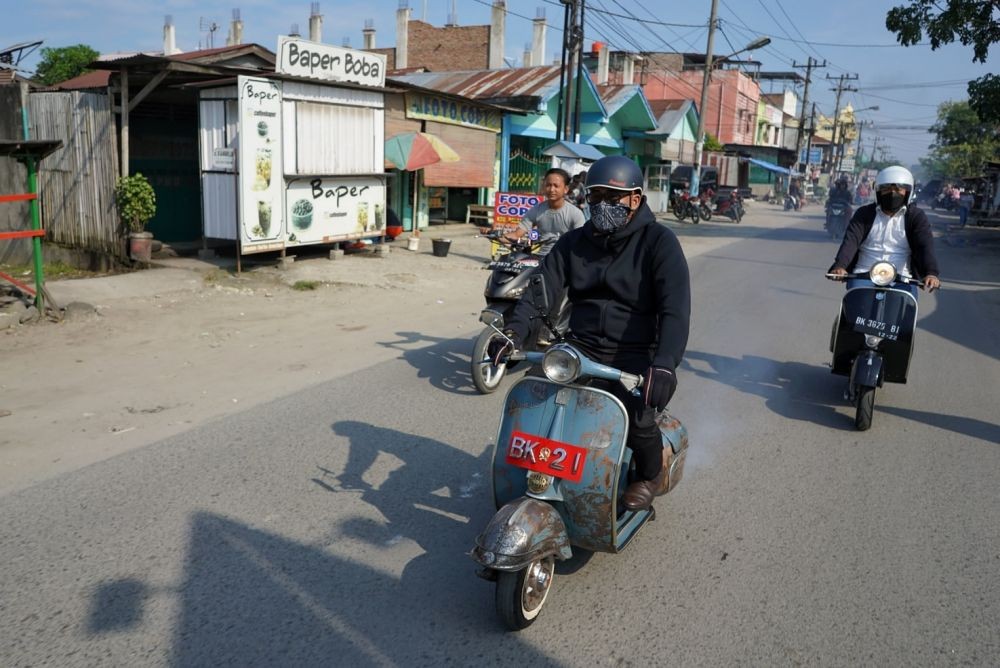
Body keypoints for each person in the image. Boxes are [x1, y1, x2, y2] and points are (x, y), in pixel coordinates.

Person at [488, 155, 691, 511]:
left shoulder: (659, 243)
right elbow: (541, 294)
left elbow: (676, 310)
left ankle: (648, 474)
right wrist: (512, 334)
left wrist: (664, 364)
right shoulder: (573, 243)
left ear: (635, 198)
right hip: (580, 346)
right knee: (535, 400)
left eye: (613, 197)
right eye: (595, 197)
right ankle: (544, 469)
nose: (602, 205)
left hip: (637, 351)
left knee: (640, 420)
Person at [828, 165, 941, 292]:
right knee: (854, 309)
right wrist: (840, 266)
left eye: (899, 189)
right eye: (886, 188)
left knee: (906, 309)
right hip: (864, 274)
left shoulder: (916, 217)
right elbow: (851, 241)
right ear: (878, 191)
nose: (893, 193)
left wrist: (931, 273)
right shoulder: (864, 213)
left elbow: (924, 246)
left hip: (902, 277)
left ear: (908, 192)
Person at [488, 168, 585, 255]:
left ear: (565, 189)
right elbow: (516, 235)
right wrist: (492, 234)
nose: (551, 189)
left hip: (564, 261)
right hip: (540, 259)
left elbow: (581, 244)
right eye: (548, 185)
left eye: (556, 186)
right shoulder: (536, 210)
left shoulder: (575, 214)